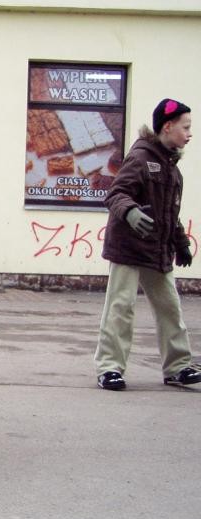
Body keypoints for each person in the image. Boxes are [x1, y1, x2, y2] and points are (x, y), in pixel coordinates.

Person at [95, 98, 199, 390]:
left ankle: (177, 367)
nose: (190, 134)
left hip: (157, 249)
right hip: (128, 247)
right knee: (121, 307)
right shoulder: (141, 158)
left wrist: (181, 243)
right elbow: (116, 194)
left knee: (170, 308)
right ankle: (109, 368)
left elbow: (169, 214)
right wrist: (130, 211)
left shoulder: (173, 170)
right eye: (185, 127)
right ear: (167, 126)